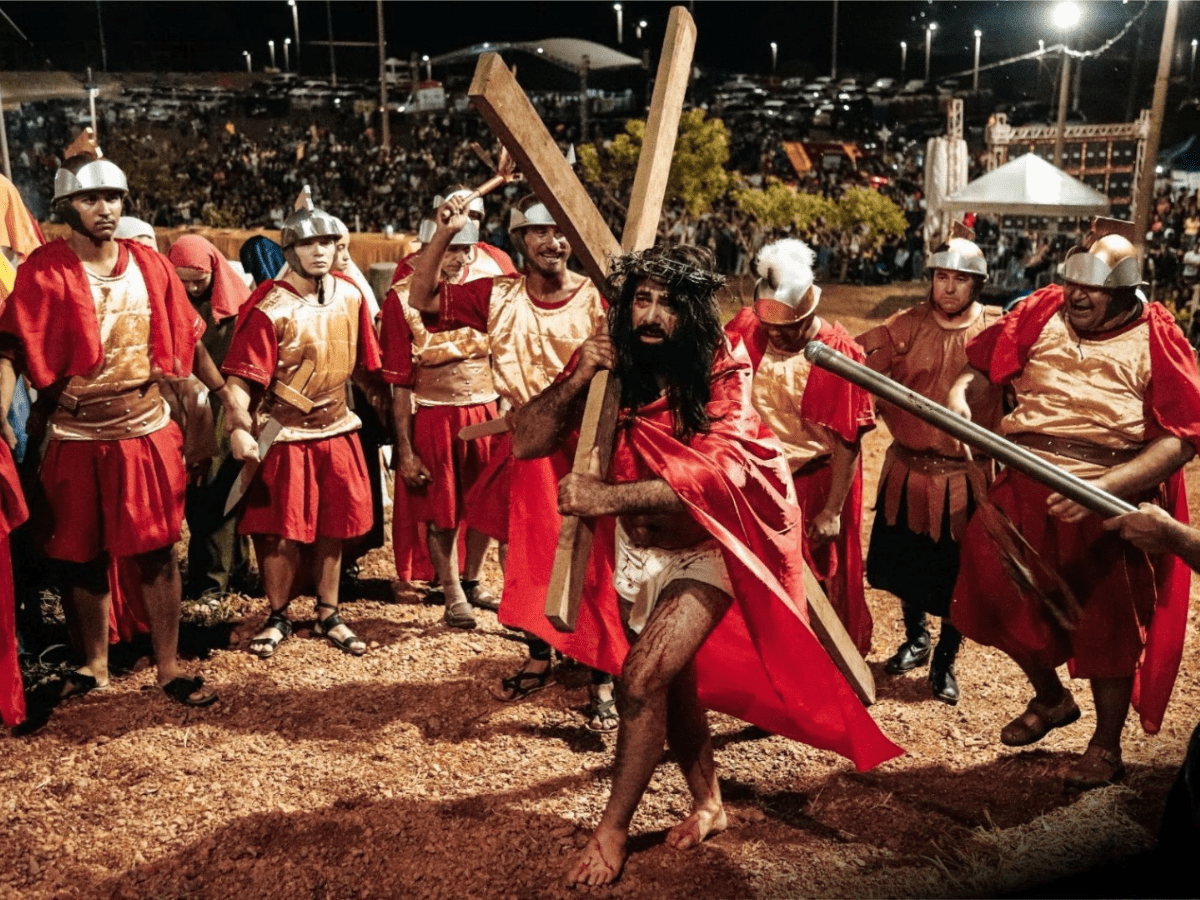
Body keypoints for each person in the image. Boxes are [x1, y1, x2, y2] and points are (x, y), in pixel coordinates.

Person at [507, 244, 902, 885]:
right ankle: (710, 803)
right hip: (637, 552)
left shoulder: (721, 366)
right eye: (641, 299)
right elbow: (526, 441)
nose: (650, 315)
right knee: (675, 684)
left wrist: (605, 498)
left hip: (710, 547)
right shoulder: (611, 360)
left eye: (667, 302)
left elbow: (719, 474)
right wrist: (577, 377)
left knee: (640, 681)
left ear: (690, 311)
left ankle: (612, 830)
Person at [949, 221, 1200, 789]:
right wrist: (959, 394)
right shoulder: (1041, 310)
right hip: (1022, 477)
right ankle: (1051, 698)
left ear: (1124, 292)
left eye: (1093, 288)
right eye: (1072, 283)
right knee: (991, 587)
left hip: (1105, 490)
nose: (1077, 295)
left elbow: (1180, 439)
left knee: (1106, 622)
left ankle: (1106, 746)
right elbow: (982, 364)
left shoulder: (1158, 336)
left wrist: (1106, 489)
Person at [0, 150, 217, 706]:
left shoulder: (150, 265)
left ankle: (168, 666)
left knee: (157, 550)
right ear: (65, 206)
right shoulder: (43, 269)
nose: (106, 209)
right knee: (80, 555)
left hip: (143, 426)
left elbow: (187, 338)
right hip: (74, 431)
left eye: (114, 197)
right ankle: (93, 665)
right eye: (91, 198)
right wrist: (0, 414)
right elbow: (12, 348)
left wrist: (222, 398)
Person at [407, 192, 615, 725]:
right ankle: (540, 655)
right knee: (525, 557)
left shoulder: (600, 298)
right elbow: (422, 297)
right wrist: (445, 232)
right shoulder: (498, 295)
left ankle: (601, 675)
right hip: (527, 444)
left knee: (595, 559)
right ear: (520, 238)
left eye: (561, 231)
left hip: (590, 444)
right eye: (540, 231)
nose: (553, 242)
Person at [221, 202, 382, 659]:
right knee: (279, 530)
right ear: (290, 250)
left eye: (328, 242)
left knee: (335, 524)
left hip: (338, 426)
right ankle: (278, 615)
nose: (320, 251)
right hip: (285, 431)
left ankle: (329, 611)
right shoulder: (268, 307)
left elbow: (366, 368)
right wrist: (238, 426)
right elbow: (239, 382)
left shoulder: (350, 295)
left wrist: (390, 415)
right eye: (309, 243)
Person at [857, 233, 1003, 705]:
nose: (949, 287)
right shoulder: (906, 325)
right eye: (942, 277)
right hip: (907, 470)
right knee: (909, 566)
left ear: (977, 284)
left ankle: (944, 658)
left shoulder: (997, 332)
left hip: (965, 478)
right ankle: (917, 638)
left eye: (960, 279)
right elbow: (858, 364)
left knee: (957, 573)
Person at [724, 238, 874, 654]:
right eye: (769, 325)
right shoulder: (747, 329)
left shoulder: (839, 353)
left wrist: (832, 511)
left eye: (785, 327)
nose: (775, 334)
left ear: (806, 313)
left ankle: (822, 668)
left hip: (815, 482)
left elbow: (848, 441)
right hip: (758, 477)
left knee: (815, 582)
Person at [380, 190, 515, 627]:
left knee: (486, 505)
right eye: (450, 248)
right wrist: (405, 450)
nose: (459, 259)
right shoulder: (401, 299)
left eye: (465, 249)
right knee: (442, 511)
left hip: (487, 411)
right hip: (436, 415)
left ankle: (473, 579)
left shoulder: (486, 291)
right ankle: (452, 591)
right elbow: (399, 384)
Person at [166, 235, 252, 602]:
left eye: (198, 281)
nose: (191, 288)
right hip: (182, 402)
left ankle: (212, 582)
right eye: (182, 281)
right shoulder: (172, 299)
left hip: (223, 403)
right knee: (199, 492)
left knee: (217, 490)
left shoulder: (238, 306)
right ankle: (234, 572)